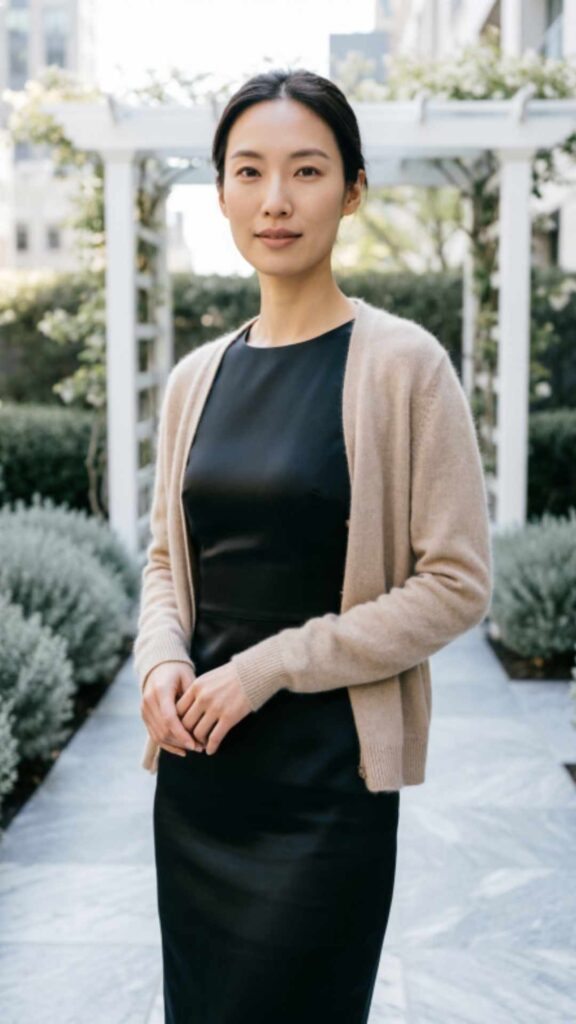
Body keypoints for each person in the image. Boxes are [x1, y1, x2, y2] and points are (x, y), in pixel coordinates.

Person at [134, 68, 493, 1024]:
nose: (277, 200)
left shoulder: (407, 367)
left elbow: (457, 583)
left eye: (307, 170)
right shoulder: (193, 381)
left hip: (328, 783)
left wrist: (271, 668)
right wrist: (161, 661)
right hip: (202, 776)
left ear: (355, 189)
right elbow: (169, 561)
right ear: (220, 194)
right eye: (249, 172)